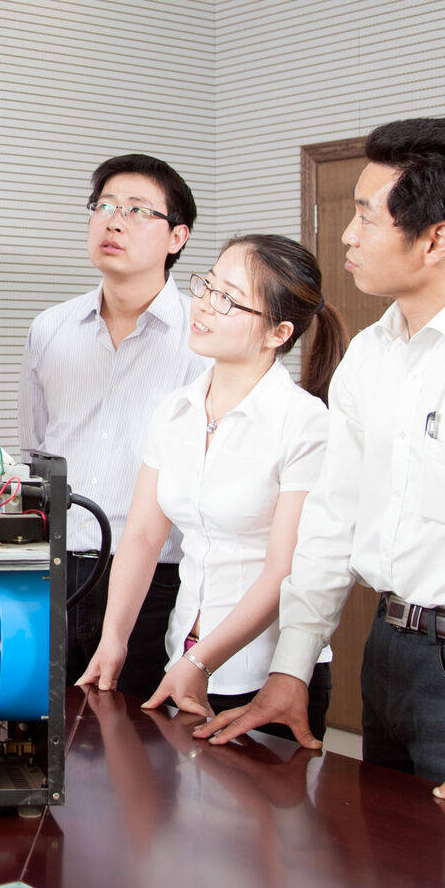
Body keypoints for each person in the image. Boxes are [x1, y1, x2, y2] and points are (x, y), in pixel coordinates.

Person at [197, 118, 445, 825]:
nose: (347, 236)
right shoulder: (372, 354)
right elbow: (331, 522)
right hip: (388, 652)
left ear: (437, 239)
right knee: (390, 869)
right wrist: (293, 666)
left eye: (365, 216)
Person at [76, 234, 345, 740]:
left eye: (229, 299)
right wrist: (114, 638)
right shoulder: (175, 409)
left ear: (278, 333)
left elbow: (283, 569)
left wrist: (202, 662)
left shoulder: (305, 423)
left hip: (261, 674)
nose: (203, 305)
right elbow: (142, 537)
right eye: (207, 286)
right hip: (181, 656)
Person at [19, 154, 208, 702]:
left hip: (159, 583)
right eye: (104, 206)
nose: (114, 221)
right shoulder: (49, 329)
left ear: (177, 237)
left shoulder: (203, 337)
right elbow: (35, 450)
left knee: (137, 742)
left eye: (137, 210)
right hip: (54, 574)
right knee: (44, 729)